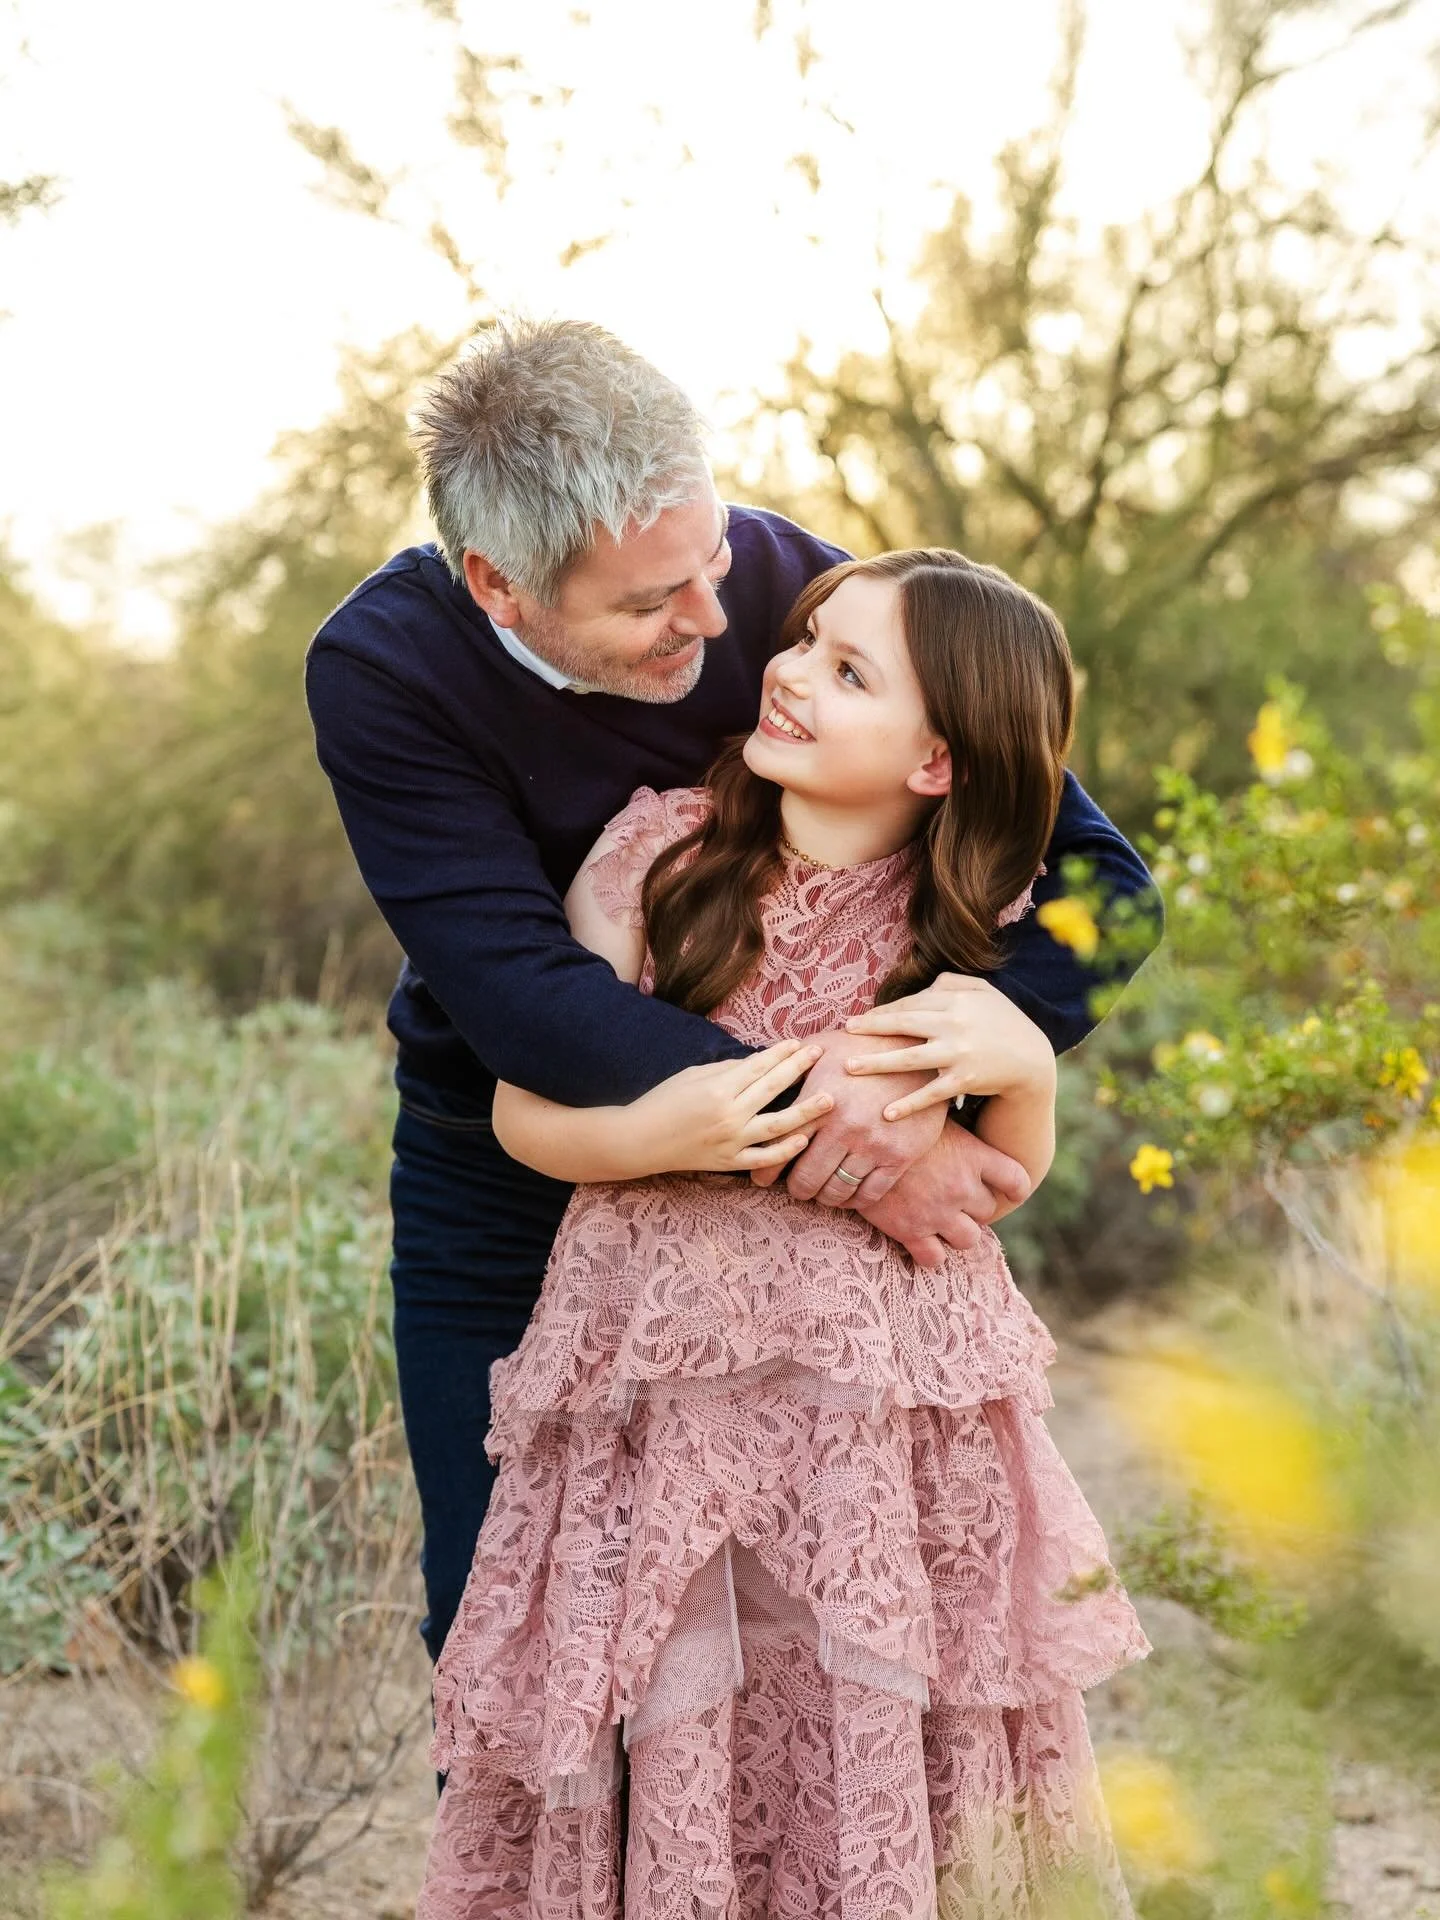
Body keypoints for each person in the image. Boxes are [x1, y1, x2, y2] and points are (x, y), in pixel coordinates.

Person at [304, 319, 1161, 1669]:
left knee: (786, 1639)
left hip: (803, 1230)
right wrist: (862, 1141)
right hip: (519, 1168)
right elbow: (526, 1004)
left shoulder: (772, 576)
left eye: (711, 564)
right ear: (499, 586)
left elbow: (1102, 881)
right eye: (654, 603)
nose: (720, 622)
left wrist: (957, 1055)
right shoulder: (386, 668)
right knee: (510, 1624)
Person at [416, 549, 1152, 1920]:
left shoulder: (971, 927)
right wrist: (665, 1132)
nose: (793, 671)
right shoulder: (658, 858)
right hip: (665, 1394)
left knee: (864, 1708)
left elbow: (996, 1181)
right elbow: (524, 1105)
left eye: (850, 670)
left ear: (938, 760)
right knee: (668, 1702)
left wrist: (1028, 1072)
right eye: (808, 640)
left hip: (879, 1414)